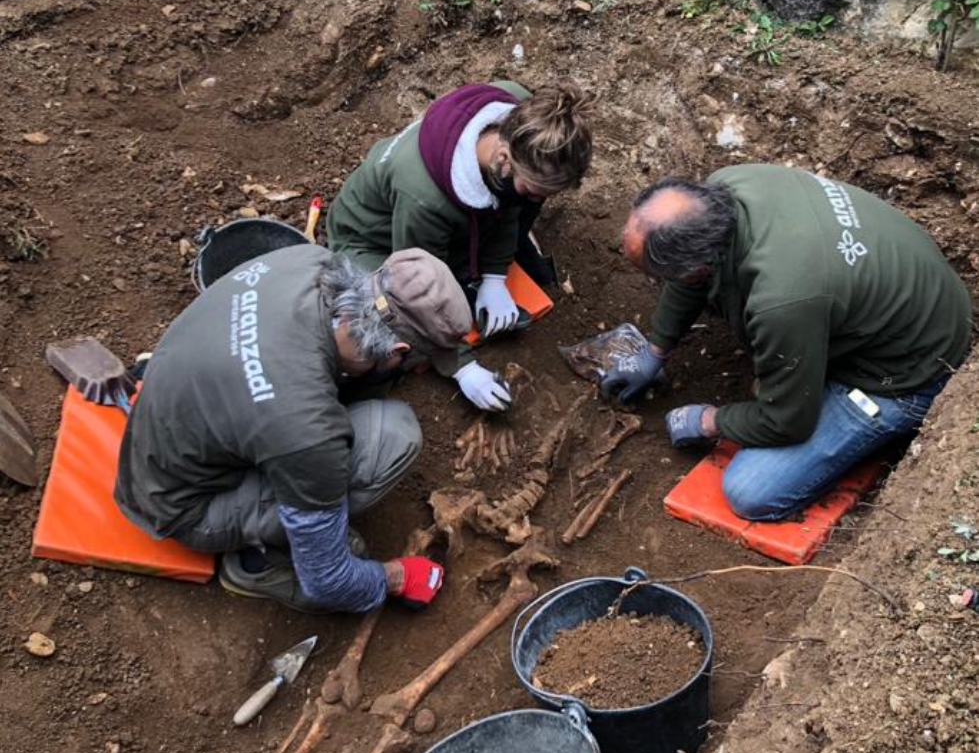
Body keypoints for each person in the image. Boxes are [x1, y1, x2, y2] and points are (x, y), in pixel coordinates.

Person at [602, 163, 972, 521]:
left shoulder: (781, 302)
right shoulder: (728, 188)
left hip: (908, 373)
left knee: (751, 490)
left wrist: (711, 421)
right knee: (773, 369)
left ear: (697, 268)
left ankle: (870, 429)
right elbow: (687, 279)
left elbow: (786, 421)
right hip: (905, 297)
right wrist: (655, 350)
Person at [114, 245, 473, 613]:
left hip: (168, 430)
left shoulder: (309, 260)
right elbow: (328, 582)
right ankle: (258, 565)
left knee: (339, 409)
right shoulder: (307, 428)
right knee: (395, 435)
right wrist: (392, 577)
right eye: (415, 359)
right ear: (397, 348)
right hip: (181, 505)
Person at [326, 79, 593, 413]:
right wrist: (462, 367)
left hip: (437, 222)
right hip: (369, 241)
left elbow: (505, 205)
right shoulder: (424, 200)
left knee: (513, 208)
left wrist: (494, 276)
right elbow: (415, 295)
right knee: (385, 322)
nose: (539, 199)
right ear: (504, 158)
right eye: (534, 187)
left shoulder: (523, 112)